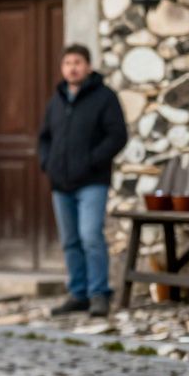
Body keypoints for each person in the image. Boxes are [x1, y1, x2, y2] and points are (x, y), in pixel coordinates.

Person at [39, 44, 127, 318]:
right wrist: (48, 163)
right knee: (70, 241)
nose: (72, 67)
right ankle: (78, 294)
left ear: (88, 66)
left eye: (78, 62)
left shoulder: (104, 97)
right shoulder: (57, 101)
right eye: (67, 63)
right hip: (61, 184)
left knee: (90, 236)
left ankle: (99, 294)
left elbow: (117, 136)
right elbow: (44, 138)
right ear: (62, 68)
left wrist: (90, 162)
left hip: (92, 182)